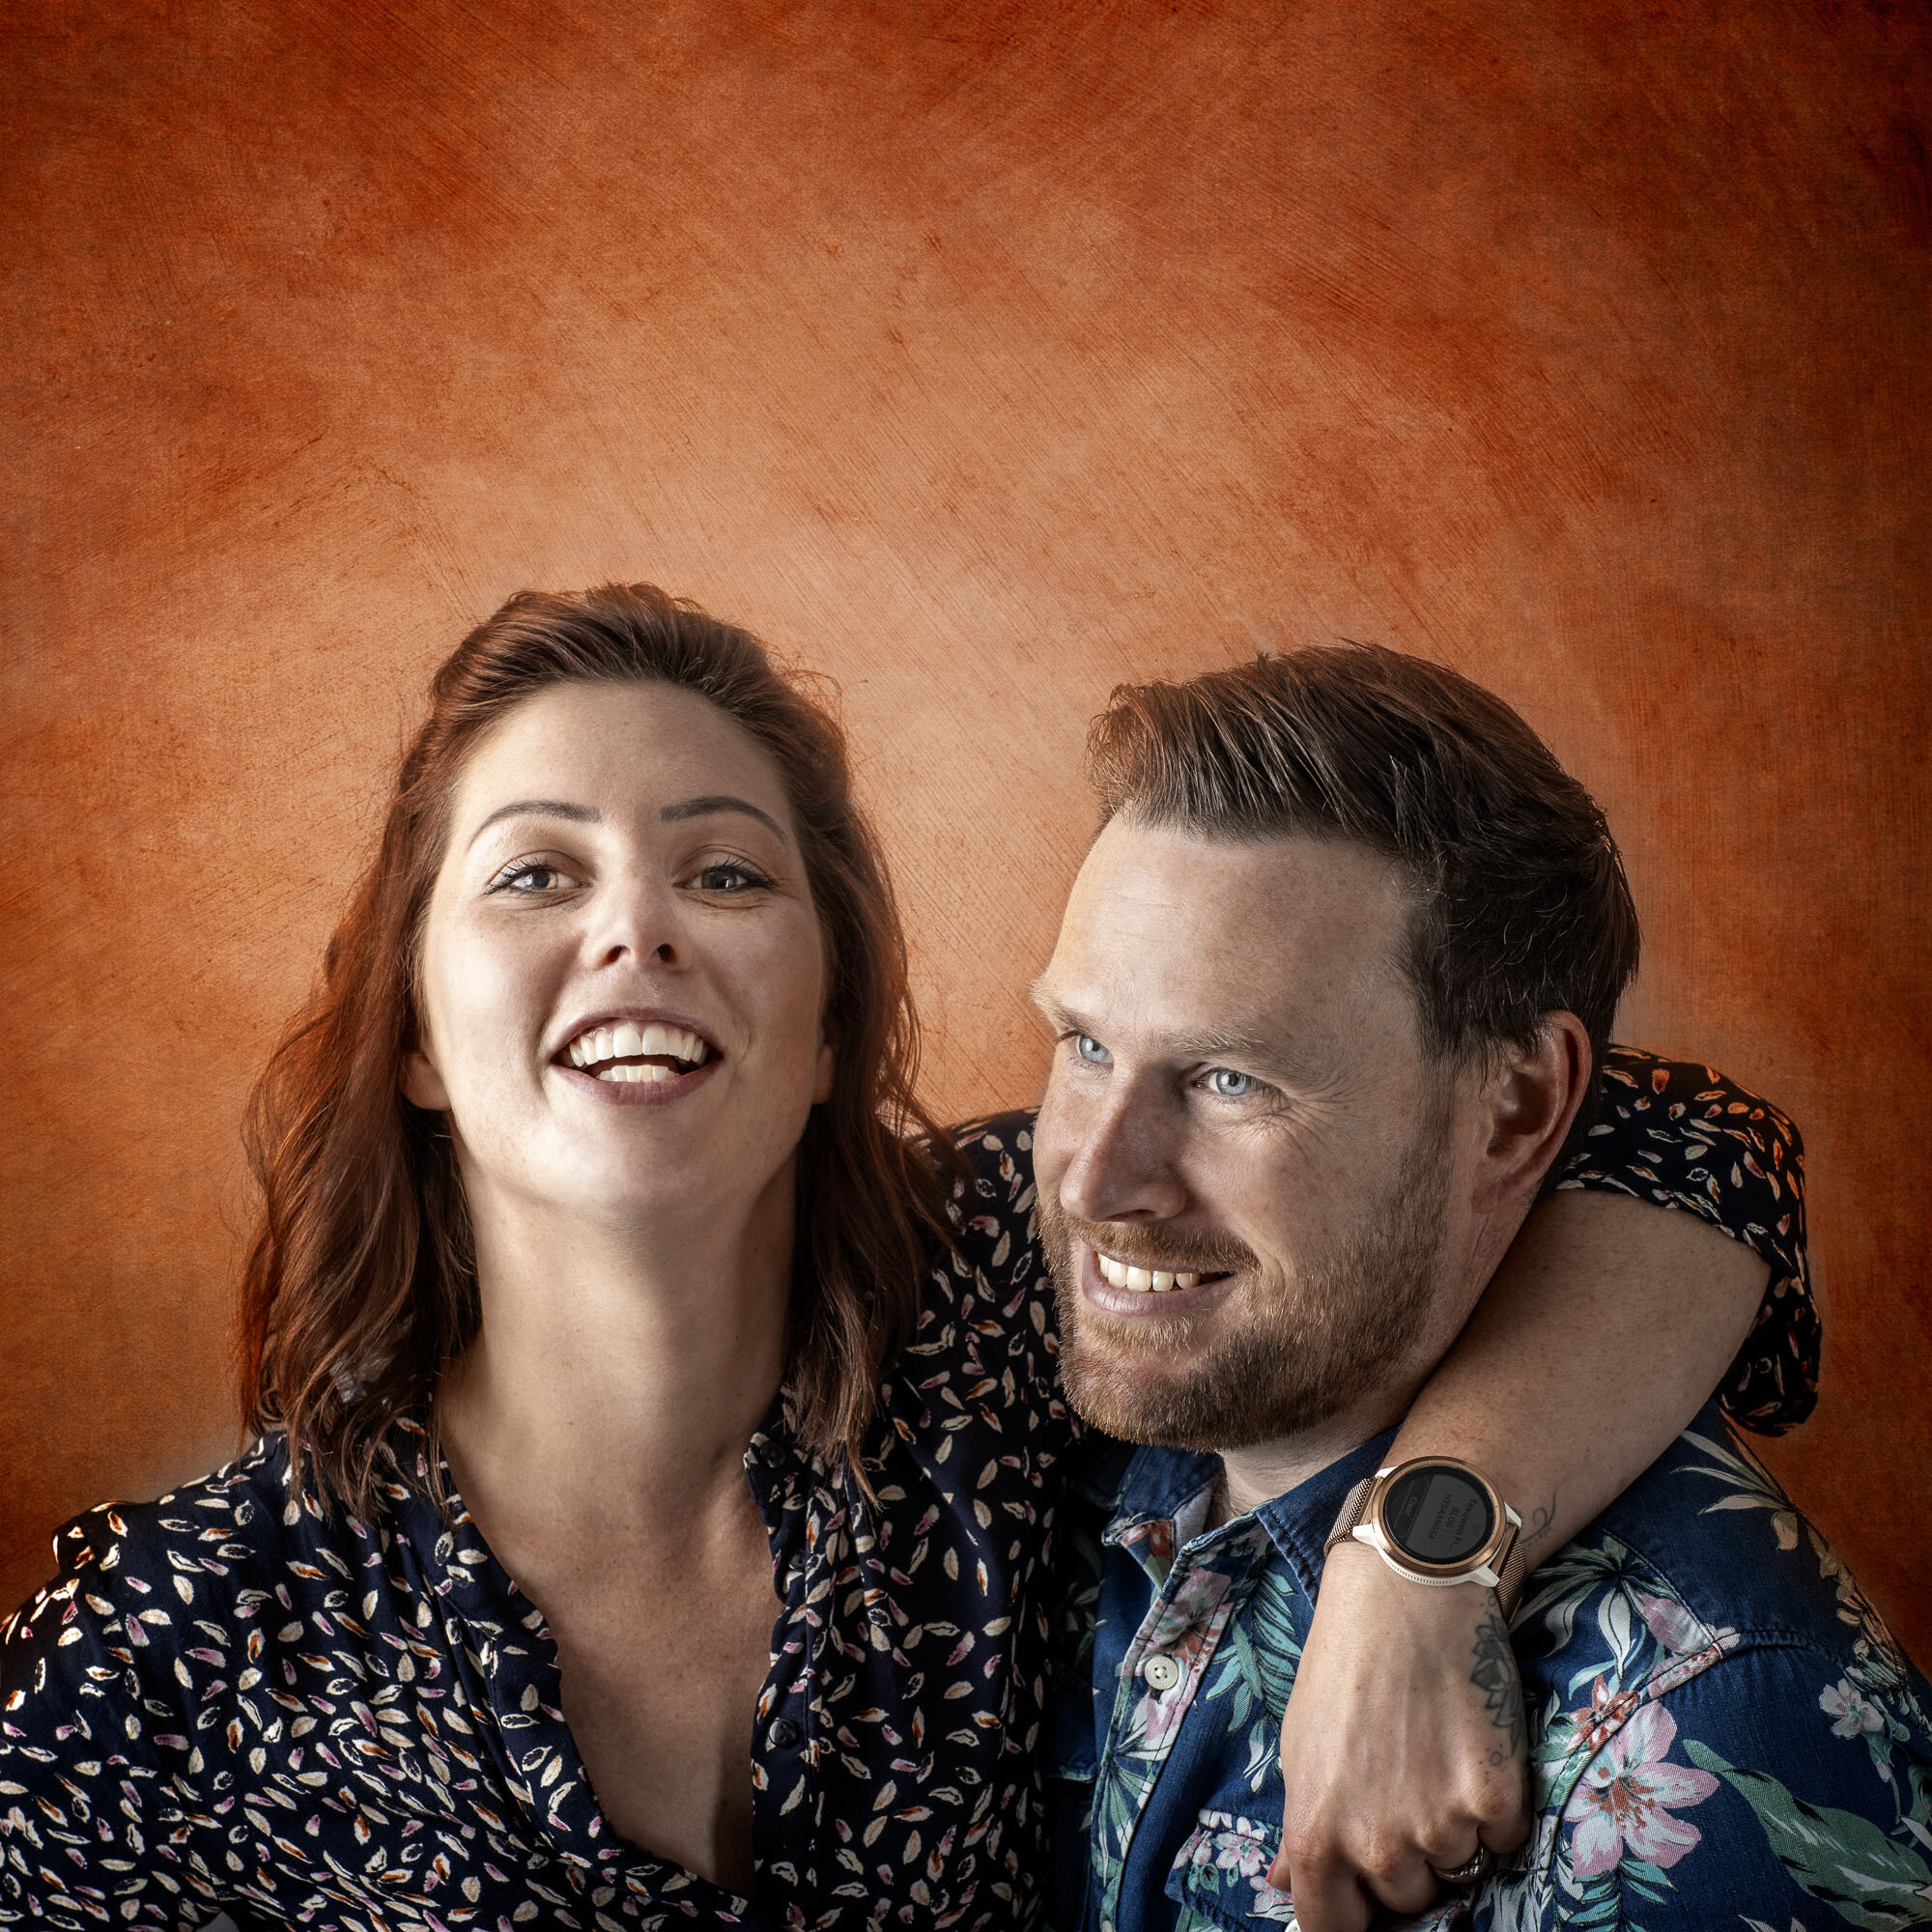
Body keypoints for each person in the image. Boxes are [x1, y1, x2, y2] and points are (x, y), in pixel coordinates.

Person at [0, 586, 1815, 1931]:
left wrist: (1421, 1553)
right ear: (413, 1026)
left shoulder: (1008, 1292)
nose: (636, 929)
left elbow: (1647, 1137)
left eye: (725, 874)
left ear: (828, 1027)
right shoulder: (172, 1646)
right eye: (535, 874)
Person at [1026, 643, 1928, 1931]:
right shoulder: (999, 1383)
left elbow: (1705, 1139)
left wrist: (1426, 1554)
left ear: (1515, 1109)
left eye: (1230, 1080)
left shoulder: (1708, 1743)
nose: (1095, 1178)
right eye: (1083, 1043)